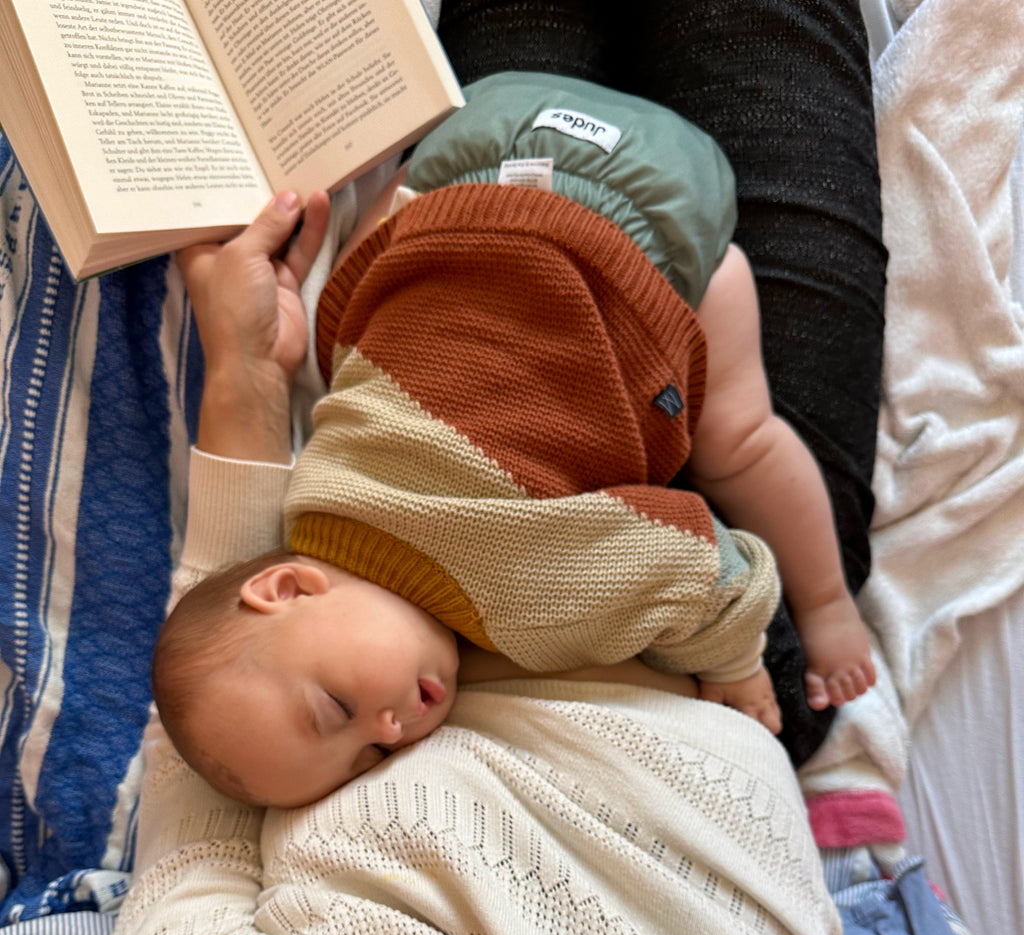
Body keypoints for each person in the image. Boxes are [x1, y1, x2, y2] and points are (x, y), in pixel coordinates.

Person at [153, 71, 874, 809]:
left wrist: (737, 665)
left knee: (737, 442)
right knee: (350, 343)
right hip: (456, 174)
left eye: (338, 709)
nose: (395, 729)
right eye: (369, 756)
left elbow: (704, 566)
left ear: (285, 587)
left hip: (646, 239)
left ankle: (827, 604)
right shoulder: (309, 505)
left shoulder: (527, 599)